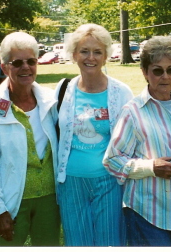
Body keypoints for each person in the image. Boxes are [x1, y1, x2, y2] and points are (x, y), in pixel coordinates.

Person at [103, 36, 171, 246]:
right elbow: (112, 160)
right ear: (145, 72)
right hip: (147, 210)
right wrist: (151, 166)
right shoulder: (133, 112)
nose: (165, 77)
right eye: (157, 70)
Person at [0, 31, 61, 246]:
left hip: (49, 200)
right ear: (4, 67)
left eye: (31, 61)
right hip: (9, 201)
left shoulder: (51, 102)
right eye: (17, 63)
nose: (25, 67)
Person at [55, 23, 133, 246]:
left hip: (108, 181)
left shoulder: (121, 91)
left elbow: (131, 138)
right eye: (84, 51)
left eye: (97, 52)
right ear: (74, 54)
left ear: (106, 56)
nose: (91, 57)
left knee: (109, 242)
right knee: (77, 242)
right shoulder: (64, 88)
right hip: (71, 182)